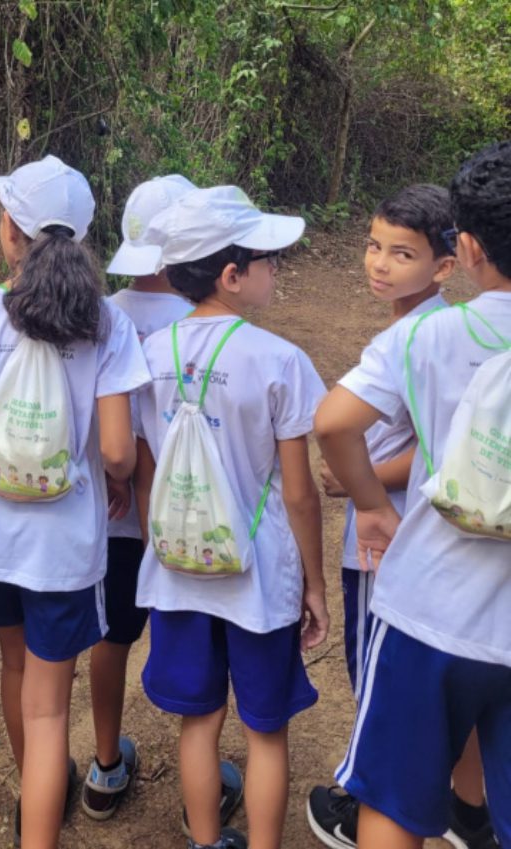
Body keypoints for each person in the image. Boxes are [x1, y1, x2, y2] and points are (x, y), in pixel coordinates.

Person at [0, 155, 151, 848]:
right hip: (63, 547)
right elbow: (119, 451)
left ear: (9, 231)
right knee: (49, 706)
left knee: (13, 667)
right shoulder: (107, 324)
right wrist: (115, 475)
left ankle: (38, 789)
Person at [314, 142, 511, 849]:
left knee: (393, 801)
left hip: (430, 608)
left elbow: (334, 422)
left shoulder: (427, 334)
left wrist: (369, 502)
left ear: (465, 246)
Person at [133, 186, 328, 849]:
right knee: (265, 729)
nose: (277, 269)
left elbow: (144, 468)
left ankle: (205, 840)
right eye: (266, 259)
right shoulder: (279, 363)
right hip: (258, 577)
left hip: (179, 570)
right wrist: (314, 583)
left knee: (199, 718)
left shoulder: (150, 355)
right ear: (231, 274)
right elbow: (300, 494)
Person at [82, 173, 245, 827]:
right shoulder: (203, 324)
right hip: (193, 528)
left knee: (112, 635)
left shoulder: (100, 313)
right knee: (198, 652)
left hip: (117, 518)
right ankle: (199, 792)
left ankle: (104, 763)